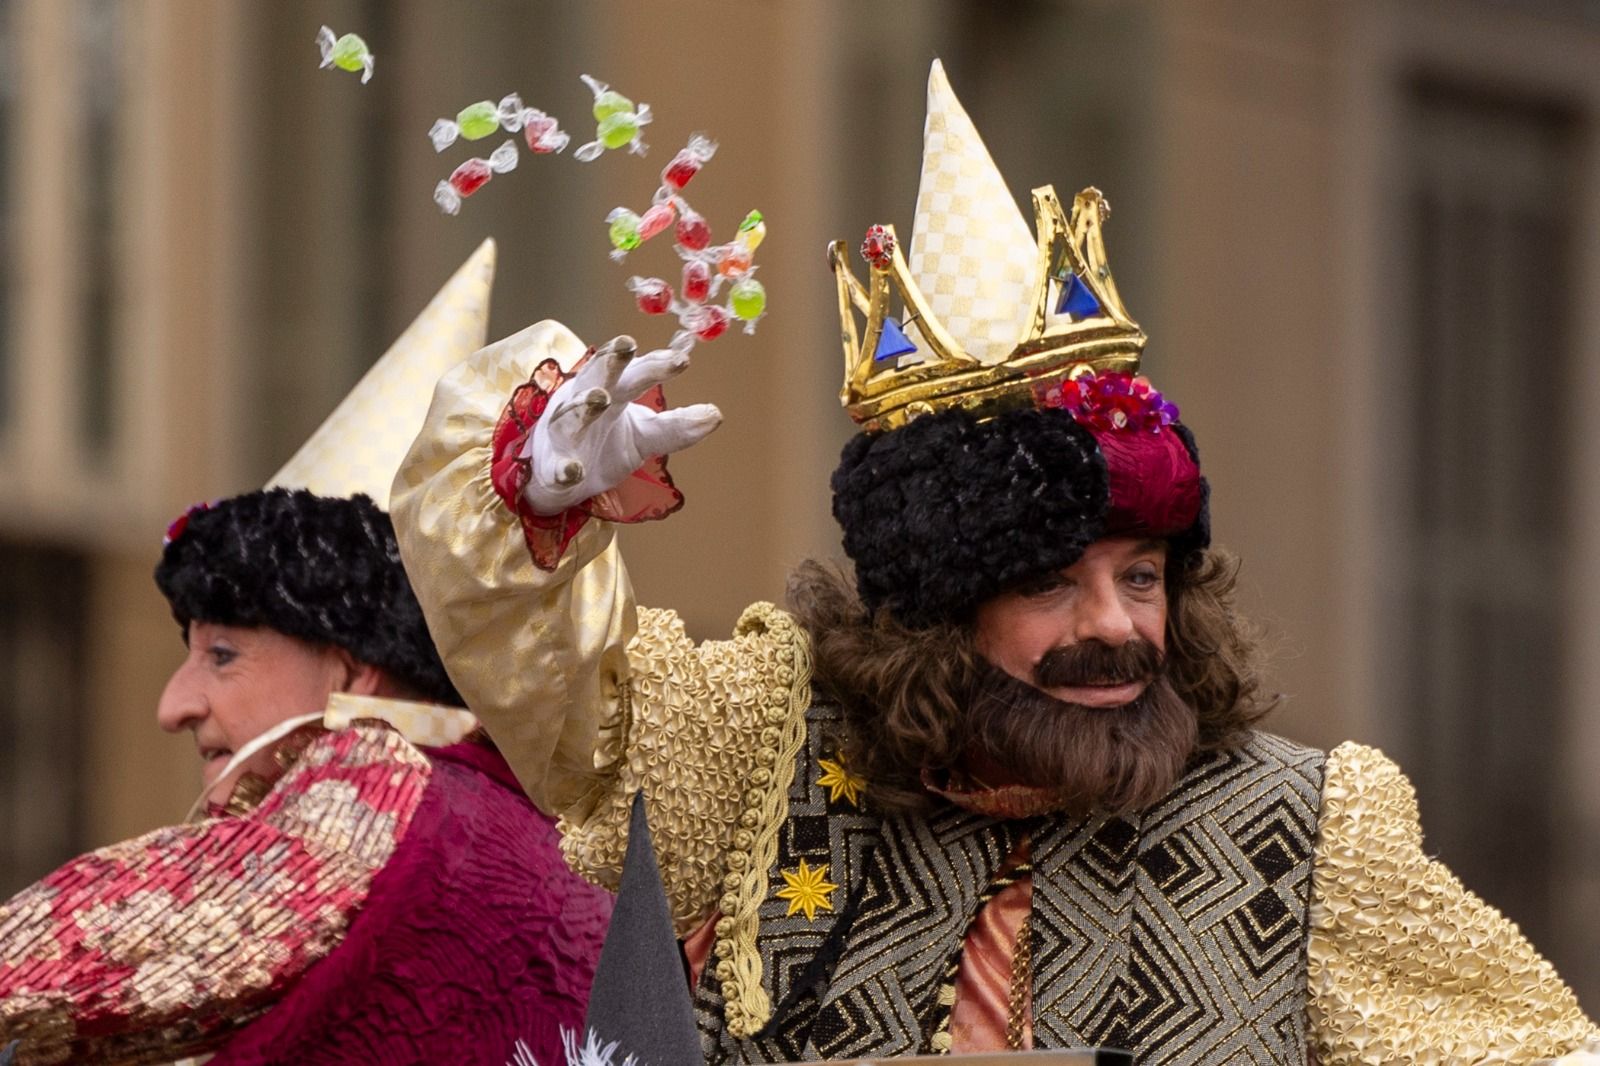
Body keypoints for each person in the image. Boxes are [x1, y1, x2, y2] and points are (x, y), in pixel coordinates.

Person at [390, 65, 1599, 1065]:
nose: (1115, 627)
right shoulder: (758, 750)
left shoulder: (1300, 824)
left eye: (1140, 575)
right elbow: (566, 699)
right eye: (1048, 583)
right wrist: (526, 488)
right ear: (931, 611)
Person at [0, 242, 612, 1066]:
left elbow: (59, 963)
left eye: (223, 655)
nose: (172, 705)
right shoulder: (537, 826)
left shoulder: (376, 782)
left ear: (354, 669)